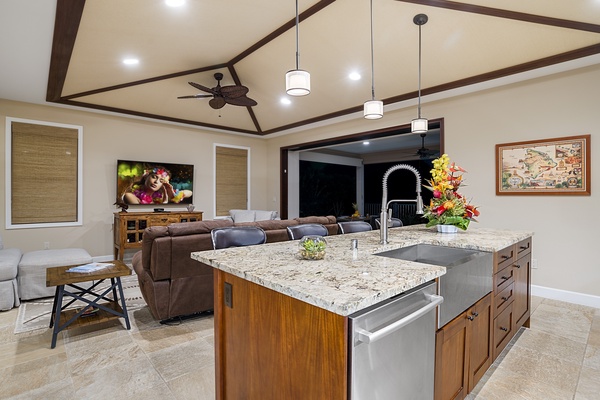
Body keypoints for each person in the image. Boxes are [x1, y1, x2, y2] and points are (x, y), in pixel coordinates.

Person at [123, 166, 192, 205]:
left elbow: (190, 192)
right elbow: (140, 213)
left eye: (161, 180)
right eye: (154, 177)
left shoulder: (161, 195)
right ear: (146, 177)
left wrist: (173, 195)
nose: (156, 182)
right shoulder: (130, 196)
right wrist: (164, 204)